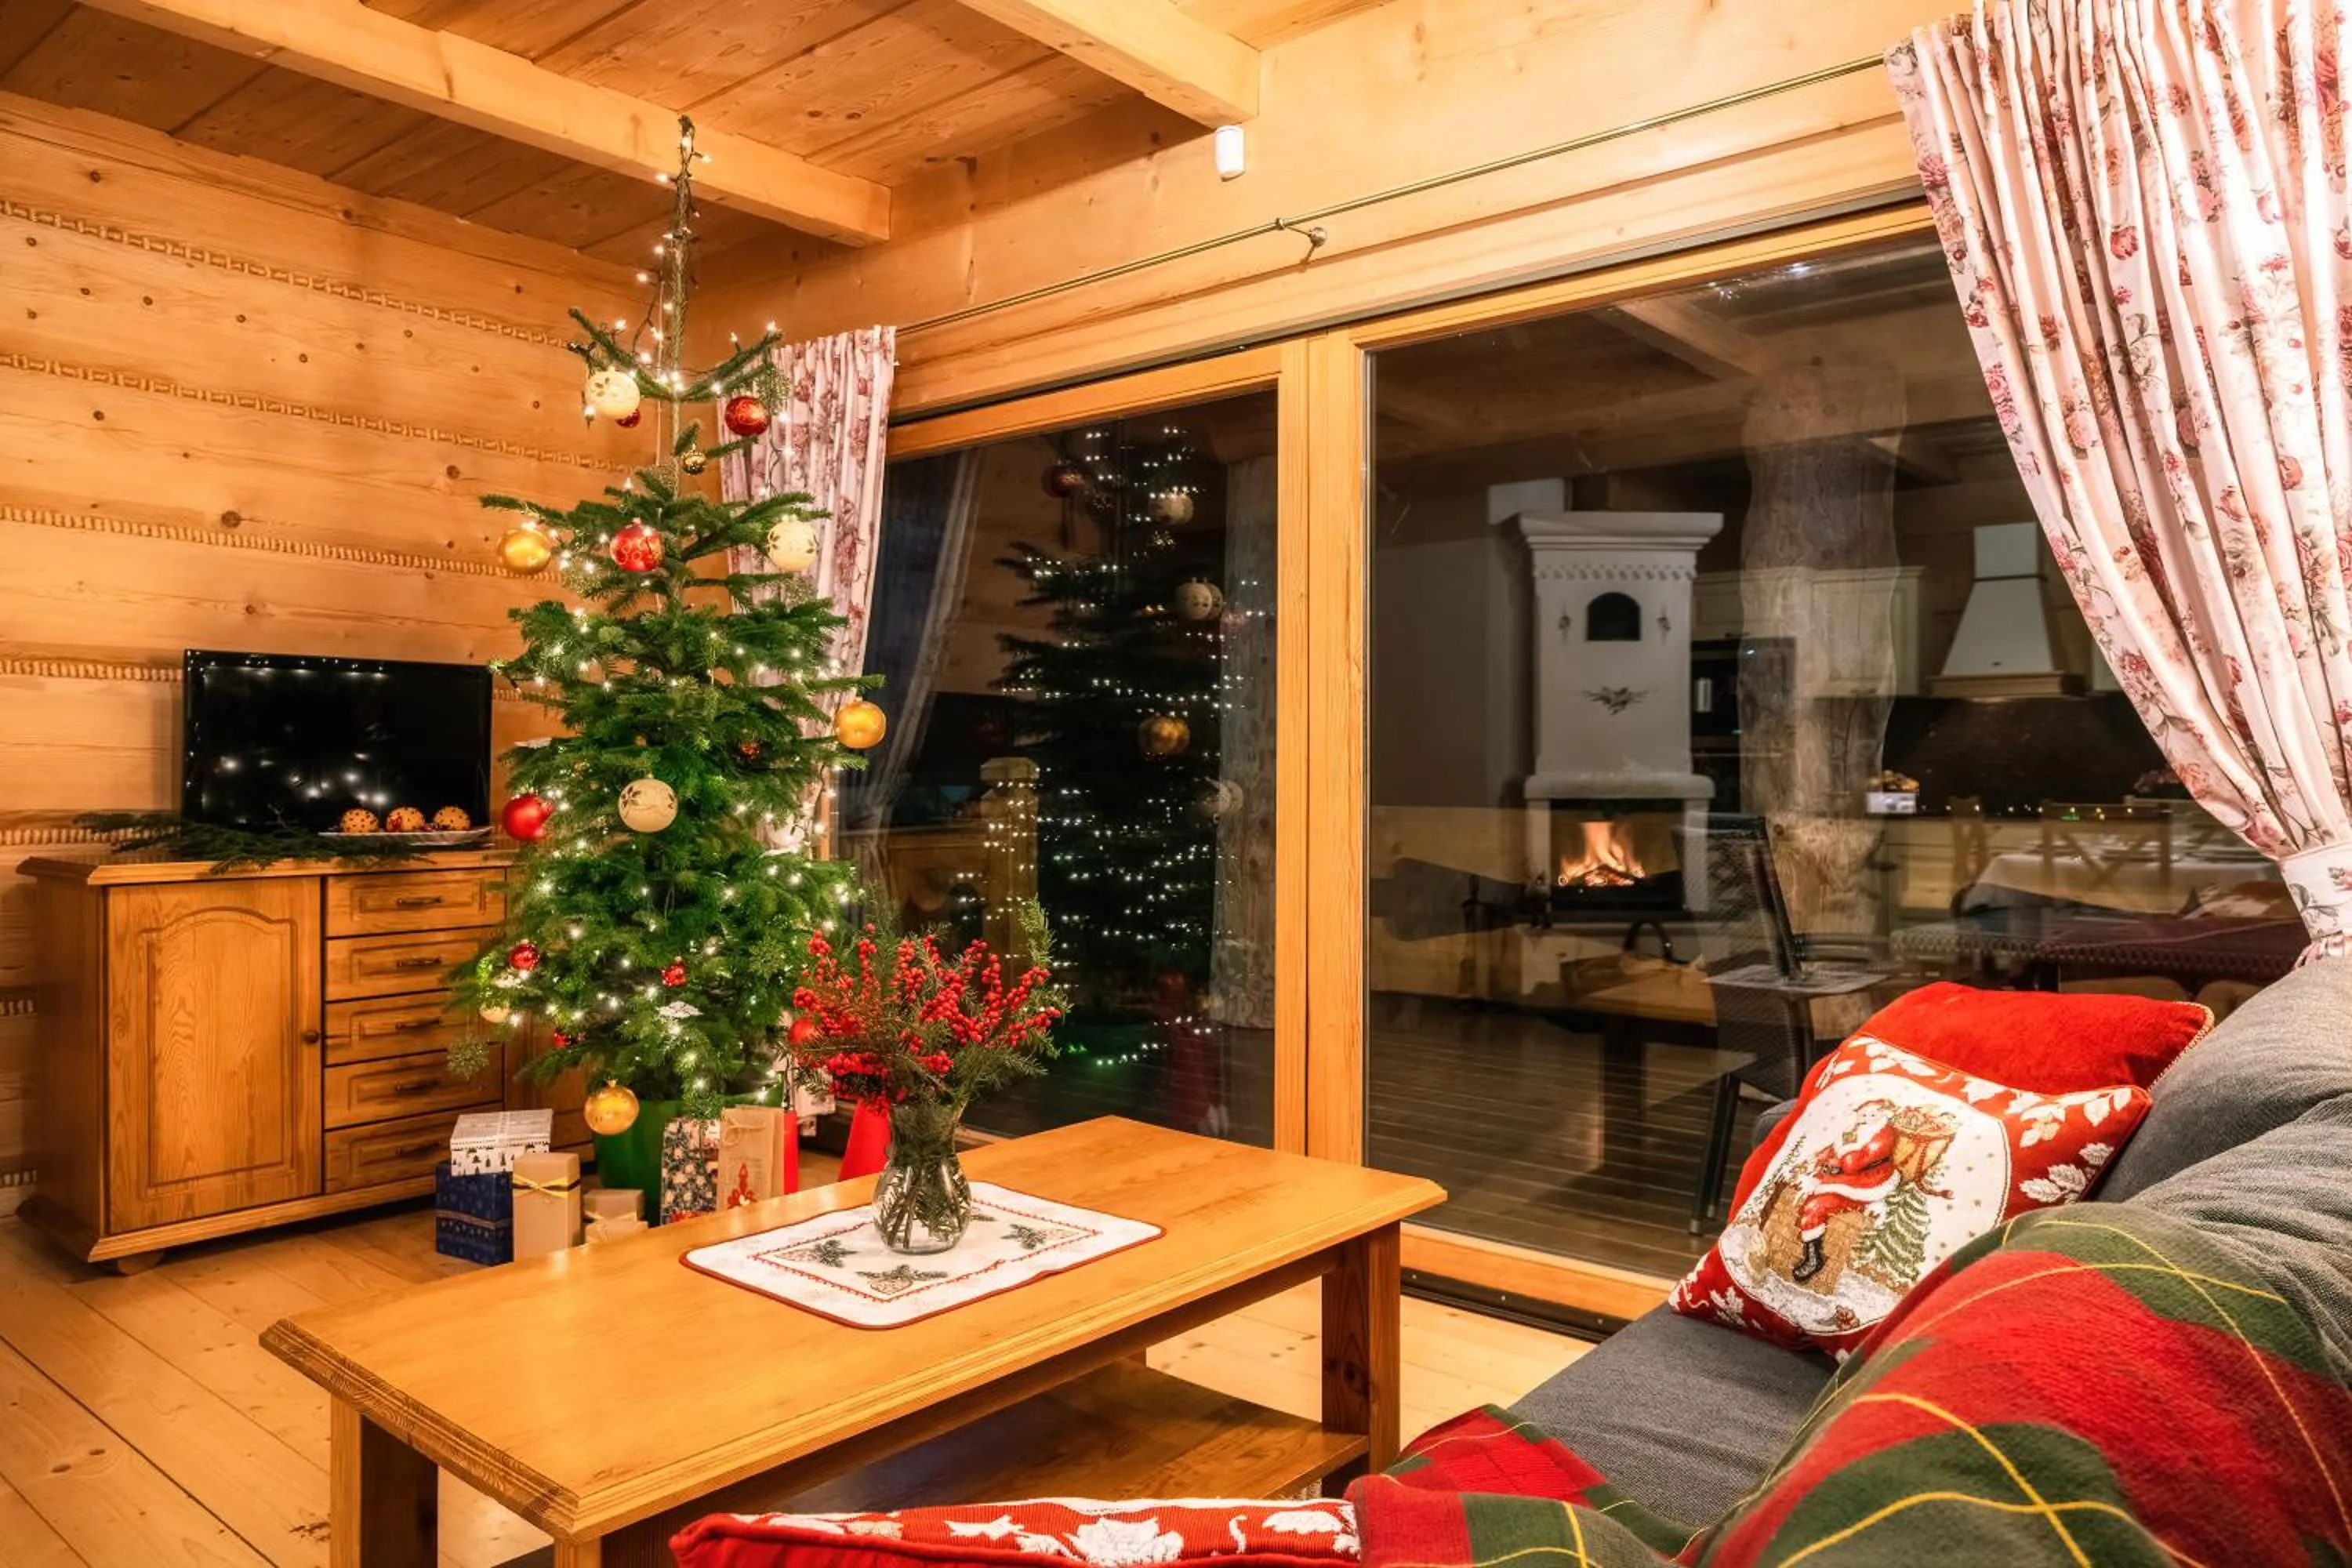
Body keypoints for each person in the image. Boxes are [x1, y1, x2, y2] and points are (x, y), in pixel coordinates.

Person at [1790, 1100, 1900, 1283]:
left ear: (1882, 1115)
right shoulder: (1852, 1131)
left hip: (1867, 1183)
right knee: (1811, 1204)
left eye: (1872, 1115)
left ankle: (1813, 1260)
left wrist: (1847, 1146)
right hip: (1841, 1179)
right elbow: (1829, 1153)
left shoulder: (1883, 1134)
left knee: (1816, 1205)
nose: (1867, 1119)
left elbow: (1851, 1164)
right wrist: (1818, 1163)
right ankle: (1812, 1256)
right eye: (1863, 1115)